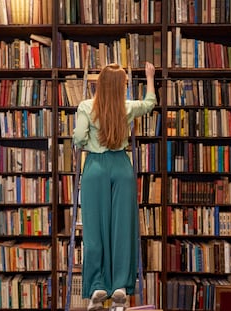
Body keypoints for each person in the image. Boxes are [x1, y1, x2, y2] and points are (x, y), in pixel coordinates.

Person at [73, 62, 156, 311]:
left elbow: (78, 138)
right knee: (122, 228)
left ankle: (98, 285)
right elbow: (150, 103)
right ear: (121, 87)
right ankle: (120, 286)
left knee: (95, 229)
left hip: (95, 168)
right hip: (121, 167)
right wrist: (150, 77)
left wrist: (90, 142)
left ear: (99, 84)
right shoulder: (127, 107)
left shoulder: (86, 106)